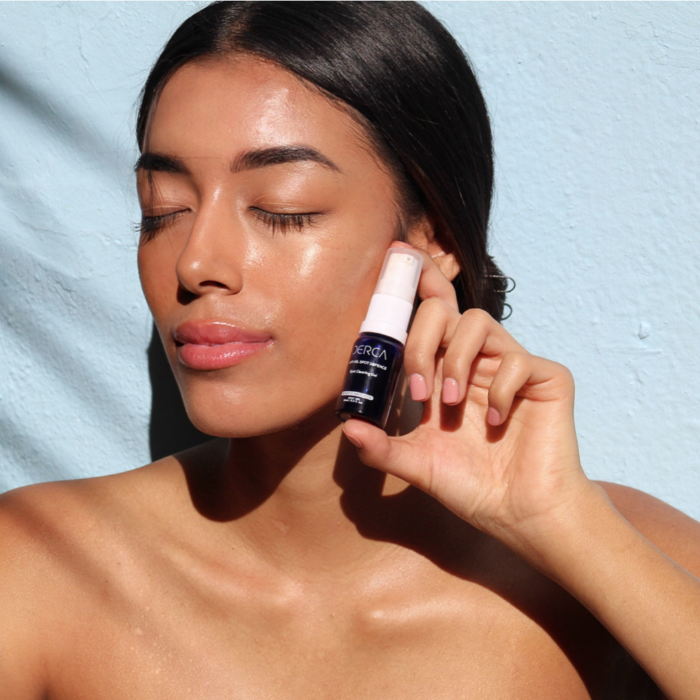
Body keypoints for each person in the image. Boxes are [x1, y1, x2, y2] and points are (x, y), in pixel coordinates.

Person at [2, 2, 700, 697]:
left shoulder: (619, 558)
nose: (195, 263)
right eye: (163, 211)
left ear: (435, 238)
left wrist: (561, 526)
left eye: (282, 208)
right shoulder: (40, 567)